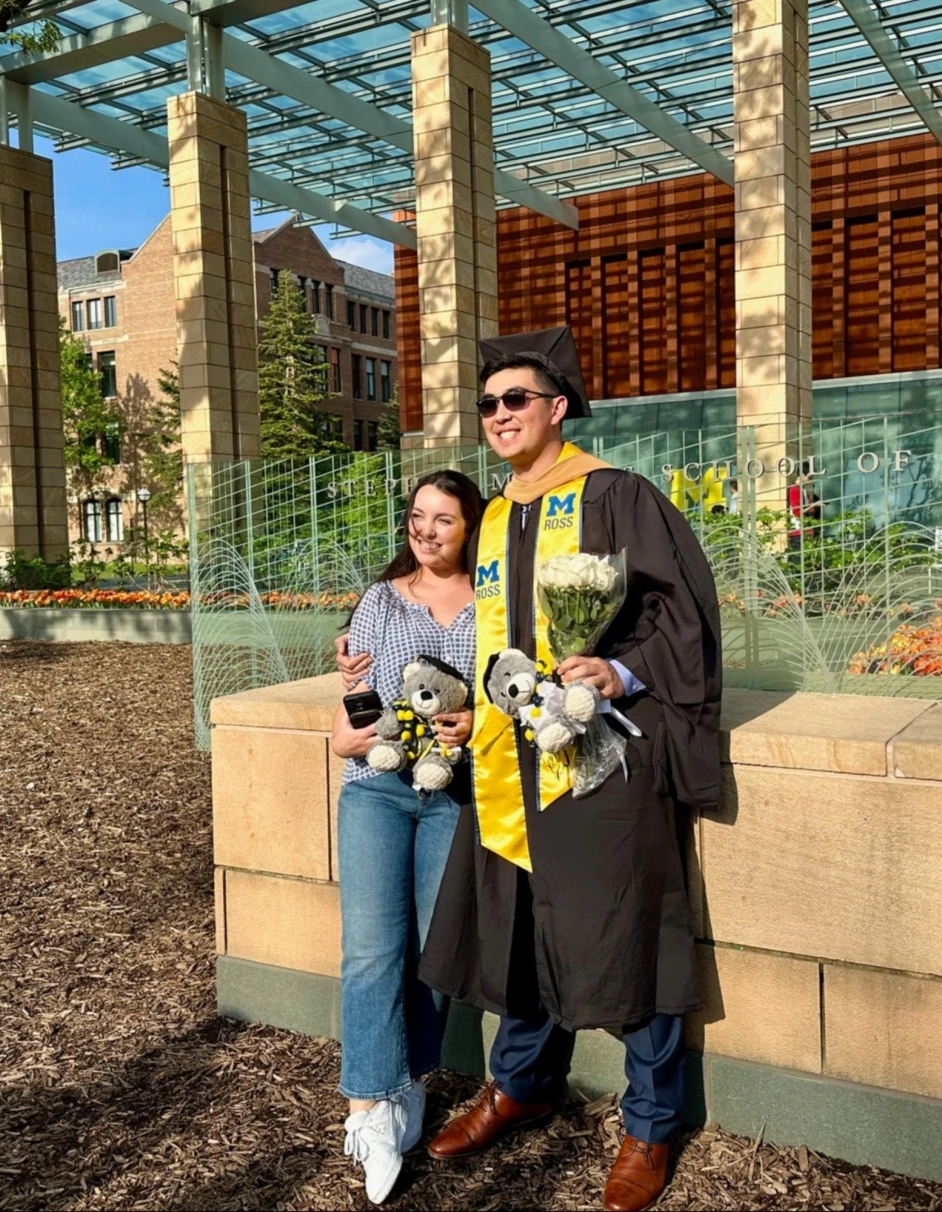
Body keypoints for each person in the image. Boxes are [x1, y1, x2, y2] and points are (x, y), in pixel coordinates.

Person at [338, 326, 722, 1212]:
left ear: (558, 408)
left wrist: (617, 670)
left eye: (516, 399)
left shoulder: (615, 495)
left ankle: (651, 1124)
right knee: (518, 929)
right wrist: (398, 674)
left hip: (598, 761)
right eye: (488, 403)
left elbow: (683, 616)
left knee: (625, 931)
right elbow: (464, 623)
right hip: (504, 765)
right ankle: (520, 1084)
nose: (500, 414)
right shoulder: (494, 518)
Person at [329, 470, 483, 1205]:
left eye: (443, 519)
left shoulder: (492, 604)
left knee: (432, 951)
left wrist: (475, 723)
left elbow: (510, 692)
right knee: (370, 949)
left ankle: (409, 1084)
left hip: (454, 794)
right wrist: (350, 730)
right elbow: (352, 710)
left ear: (470, 527)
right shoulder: (381, 601)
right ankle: (367, 1108)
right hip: (378, 789)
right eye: (417, 516)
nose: (425, 530)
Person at [787, 463, 820, 553]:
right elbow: (797, 513)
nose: (810, 480)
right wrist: (813, 505)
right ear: (802, 475)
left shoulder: (803, 489)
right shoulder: (795, 489)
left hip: (806, 530)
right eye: (809, 477)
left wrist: (812, 506)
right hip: (798, 532)